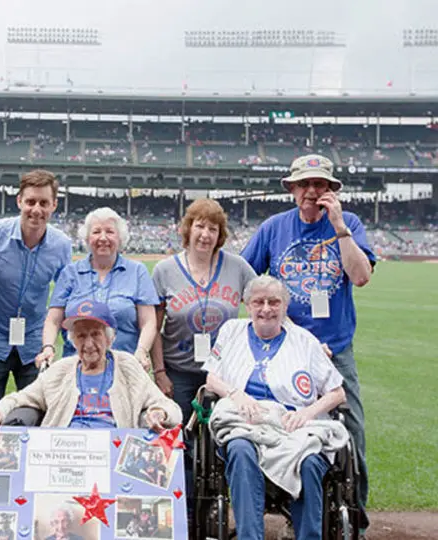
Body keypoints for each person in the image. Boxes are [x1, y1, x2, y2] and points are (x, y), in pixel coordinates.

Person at [241, 154, 374, 531]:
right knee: (280, 427)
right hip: (284, 351)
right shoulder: (274, 228)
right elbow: (245, 283)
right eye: (304, 184)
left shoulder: (348, 224)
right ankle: (286, 500)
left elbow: (361, 277)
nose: (312, 191)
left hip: (336, 352)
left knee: (354, 436)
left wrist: (338, 227)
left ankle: (355, 522)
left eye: (320, 184)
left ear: (331, 190)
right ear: (293, 189)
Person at [203, 276, 348, 540]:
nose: (266, 309)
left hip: (293, 423)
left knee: (309, 460)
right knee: (239, 448)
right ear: (248, 305)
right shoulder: (231, 331)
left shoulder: (305, 340)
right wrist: (236, 395)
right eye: (258, 302)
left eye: (274, 302)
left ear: (285, 307)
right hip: (246, 420)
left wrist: (307, 413)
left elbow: (337, 392)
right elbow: (211, 378)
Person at [0, 169, 72, 411]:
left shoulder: (61, 246)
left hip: (34, 343)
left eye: (44, 203)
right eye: (30, 201)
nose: (36, 209)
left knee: (36, 414)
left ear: (54, 205)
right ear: (19, 201)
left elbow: (66, 293)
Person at [0, 301, 181, 430]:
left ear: (109, 338)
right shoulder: (60, 370)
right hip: (64, 455)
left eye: (96, 334)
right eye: (81, 336)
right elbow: (19, 398)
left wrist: (158, 413)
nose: (89, 344)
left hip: (113, 455)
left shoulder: (128, 367)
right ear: (73, 341)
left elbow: (171, 408)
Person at [151, 198, 256, 424]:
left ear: (220, 235)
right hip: (178, 370)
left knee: (223, 433)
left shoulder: (238, 267)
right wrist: (159, 372)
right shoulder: (164, 270)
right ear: (188, 229)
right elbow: (153, 327)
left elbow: (265, 304)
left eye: (213, 229)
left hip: (224, 371)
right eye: (200, 226)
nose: (205, 234)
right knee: (176, 433)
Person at [37, 207, 158, 370]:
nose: (103, 238)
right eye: (96, 232)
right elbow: (53, 319)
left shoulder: (137, 271)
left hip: (123, 366)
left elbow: (149, 321)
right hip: (77, 366)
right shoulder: (70, 273)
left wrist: (142, 351)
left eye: (109, 231)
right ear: (87, 238)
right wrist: (48, 347)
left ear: (120, 238)